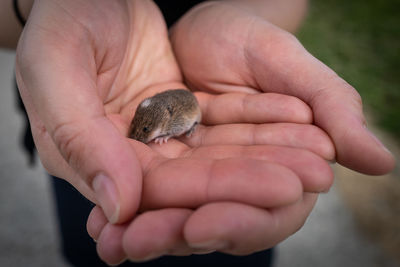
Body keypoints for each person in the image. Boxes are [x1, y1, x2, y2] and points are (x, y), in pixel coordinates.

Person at [1, 0, 395, 266]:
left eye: (147, 130)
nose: (144, 133)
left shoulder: (176, 115)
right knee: (100, 232)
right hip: (86, 104)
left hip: (199, 105)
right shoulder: (145, 110)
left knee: (229, 233)